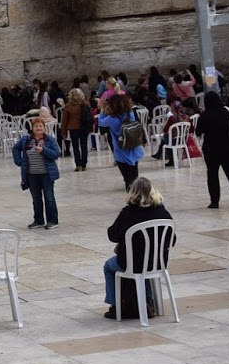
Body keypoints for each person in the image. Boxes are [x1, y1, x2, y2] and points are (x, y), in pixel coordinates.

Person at [101, 177, 173, 319]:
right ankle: (148, 301)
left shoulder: (128, 213)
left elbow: (113, 235)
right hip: (158, 263)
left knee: (109, 266)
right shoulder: (163, 213)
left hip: (132, 264)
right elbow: (172, 240)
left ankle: (115, 305)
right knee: (142, 265)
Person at [198, 90, 229, 210]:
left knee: (212, 174)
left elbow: (198, 131)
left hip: (211, 149)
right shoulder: (226, 111)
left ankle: (214, 201)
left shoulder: (205, 115)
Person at [13, 115, 61, 229]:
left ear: (44, 127)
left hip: (46, 174)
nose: (38, 128)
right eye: (36, 126)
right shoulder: (26, 140)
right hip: (31, 174)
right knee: (36, 198)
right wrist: (19, 161)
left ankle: (53, 220)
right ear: (32, 128)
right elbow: (15, 148)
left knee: (49, 197)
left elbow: (56, 154)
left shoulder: (49, 140)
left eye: (40, 126)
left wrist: (44, 150)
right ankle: (38, 220)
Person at [97, 91, 145, 188]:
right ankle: (137, 194)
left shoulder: (111, 118)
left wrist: (102, 109)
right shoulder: (130, 114)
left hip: (121, 151)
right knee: (135, 176)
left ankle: (132, 197)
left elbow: (101, 122)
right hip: (134, 148)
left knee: (128, 179)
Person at [60, 88, 92, 172]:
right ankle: (84, 164)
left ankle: (78, 165)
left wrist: (63, 132)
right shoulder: (86, 104)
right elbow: (90, 117)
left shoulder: (68, 107)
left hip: (73, 128)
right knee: (84, 145)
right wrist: (91, 128)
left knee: (75, 147)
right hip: (84, 127)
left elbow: (64, 120)